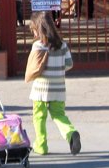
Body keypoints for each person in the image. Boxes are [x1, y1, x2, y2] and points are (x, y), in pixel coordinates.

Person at [27, 11, 81, 156]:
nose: (33, 33)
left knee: (39, 117)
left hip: (40, 89)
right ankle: (71, 133)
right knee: (58, 115)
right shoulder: (62, 45)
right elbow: (69, 64)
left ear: (38, 29)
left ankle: (41, 145)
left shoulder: (38, 46)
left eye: (33, 29)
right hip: (58, 88)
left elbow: (33, 67)